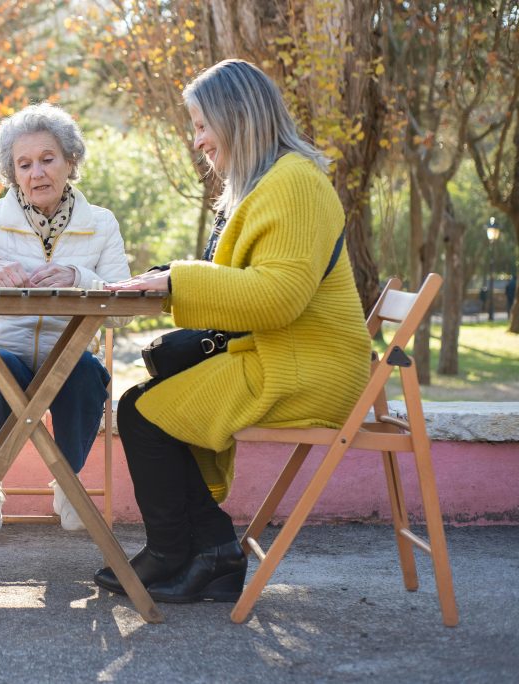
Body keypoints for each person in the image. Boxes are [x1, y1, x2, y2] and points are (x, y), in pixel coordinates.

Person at [93, 59, 371, 604]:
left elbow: (277, 297)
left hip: (306, 369)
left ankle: (199, 550)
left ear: (238, 117)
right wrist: (172, 283)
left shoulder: (294, 185)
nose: (197, 142)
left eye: (202, 125)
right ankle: (197, 551)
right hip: (286, 357)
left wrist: (176, 280)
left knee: (145, 416)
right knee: (140, 407)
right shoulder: (274, 182)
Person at [0, 103, 131, 533]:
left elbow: (124, 307)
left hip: (70, 354)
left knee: (84, 373)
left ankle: (67, 484)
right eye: (24, 164)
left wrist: (79, 277)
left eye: (47, 159)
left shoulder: (101, 223)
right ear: (12, 172)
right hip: (5, 349)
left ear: (70, 161)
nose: (37, 173)